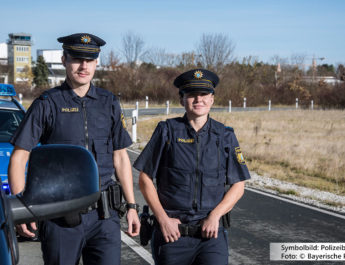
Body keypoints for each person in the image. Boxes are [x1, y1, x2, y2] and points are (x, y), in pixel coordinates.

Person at [8, 33, 140, 265]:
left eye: (89, 60)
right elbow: (19, 157)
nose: (83, 66)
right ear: (64, 60)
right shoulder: (47, 103)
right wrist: (23, 209)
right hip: (60, 216)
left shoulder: (108, 102)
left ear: (97, 62)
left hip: (104, 217)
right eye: (77, 59)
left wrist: (131, 206)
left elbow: (120, 157)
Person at [134, 69, 251, 265]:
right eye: (191, 95)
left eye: (204, 94)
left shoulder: (225, 136)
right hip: (172, 235)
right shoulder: (167, 131)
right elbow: (145, 178)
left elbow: (238, 185)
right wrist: (162, 219)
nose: (199, 99)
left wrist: (215, 215)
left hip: (211, 235)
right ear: (182, 99)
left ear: (212, 99)